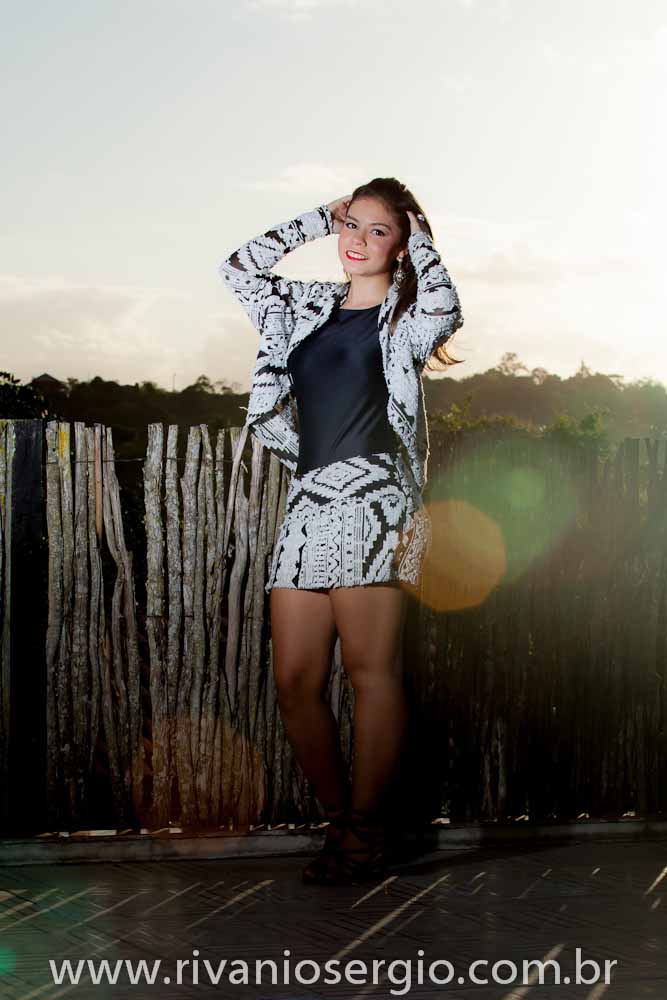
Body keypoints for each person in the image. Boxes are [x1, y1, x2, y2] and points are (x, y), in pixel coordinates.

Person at [218, 177, 464, 884]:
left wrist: (419, 234)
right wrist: (315, 220)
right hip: (310, 500)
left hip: (378, 500)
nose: (357, 240)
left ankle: (364, 832)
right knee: (295, 680)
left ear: (403, 243)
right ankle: (341, 823)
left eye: (377, 230)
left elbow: (447, 302)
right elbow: (237, 268)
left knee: (369, 672)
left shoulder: (408, 318)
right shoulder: (302, 306)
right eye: (351, 225)